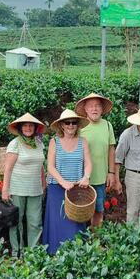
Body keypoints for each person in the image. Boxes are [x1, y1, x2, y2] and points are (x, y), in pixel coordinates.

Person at [43, 109, 92, 255]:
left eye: (74, 123)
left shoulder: (83, 142)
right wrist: (62, 182)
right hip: (57, 188)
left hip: (76, 190)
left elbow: (88, 163)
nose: (71, 125)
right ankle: (54, 254)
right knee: (57, 222)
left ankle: (76, 254)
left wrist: (86, 177)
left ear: (77, 125)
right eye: (67, 122)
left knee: (75, 222)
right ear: (61, 126)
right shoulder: (54, 142)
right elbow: (50, 166)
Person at [1, 113, 46, 258]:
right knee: (16, 222)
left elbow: (40, 166)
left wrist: (43, 184)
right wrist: (5, 189)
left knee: (35, 222)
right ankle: (16, 253)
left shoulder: (39, 143)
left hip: (35, 189)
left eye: (31, 125)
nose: (28, 128)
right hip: (17, 188)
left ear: (35, 128)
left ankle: (33, 253)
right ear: (20, 128)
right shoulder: (14, 144)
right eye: (25, 125)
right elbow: (7, 169)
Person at [76, 93, 119, 228]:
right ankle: (80, 242)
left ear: (102, 109)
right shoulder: (79, 127)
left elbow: (111, 149)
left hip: (100, 178)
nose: (94, 109)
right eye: (91, 106)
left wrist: (111, 173)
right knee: (81, 212)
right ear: (86, 109)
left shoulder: (107, 125)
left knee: (98, 211)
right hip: (82, 179)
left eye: (97, 106)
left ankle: (95, 240)